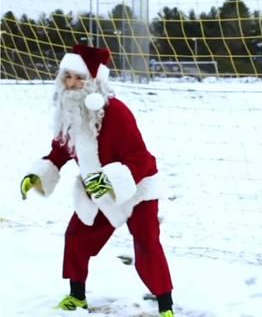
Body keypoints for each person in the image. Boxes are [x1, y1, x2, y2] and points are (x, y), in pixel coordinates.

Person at [20, 44, 175, 317]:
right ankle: (77, 297)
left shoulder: (117, 112)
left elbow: (140, 158)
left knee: (147, 242)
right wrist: (37, 175)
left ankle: (165, 306)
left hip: (138, 188)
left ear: (94, 82)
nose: (72, 83)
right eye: (68, 76)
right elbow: (61, 150)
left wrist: (113, 183)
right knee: (77, 236)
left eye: (80, 78)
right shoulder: (68, 114)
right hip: (98, 189)